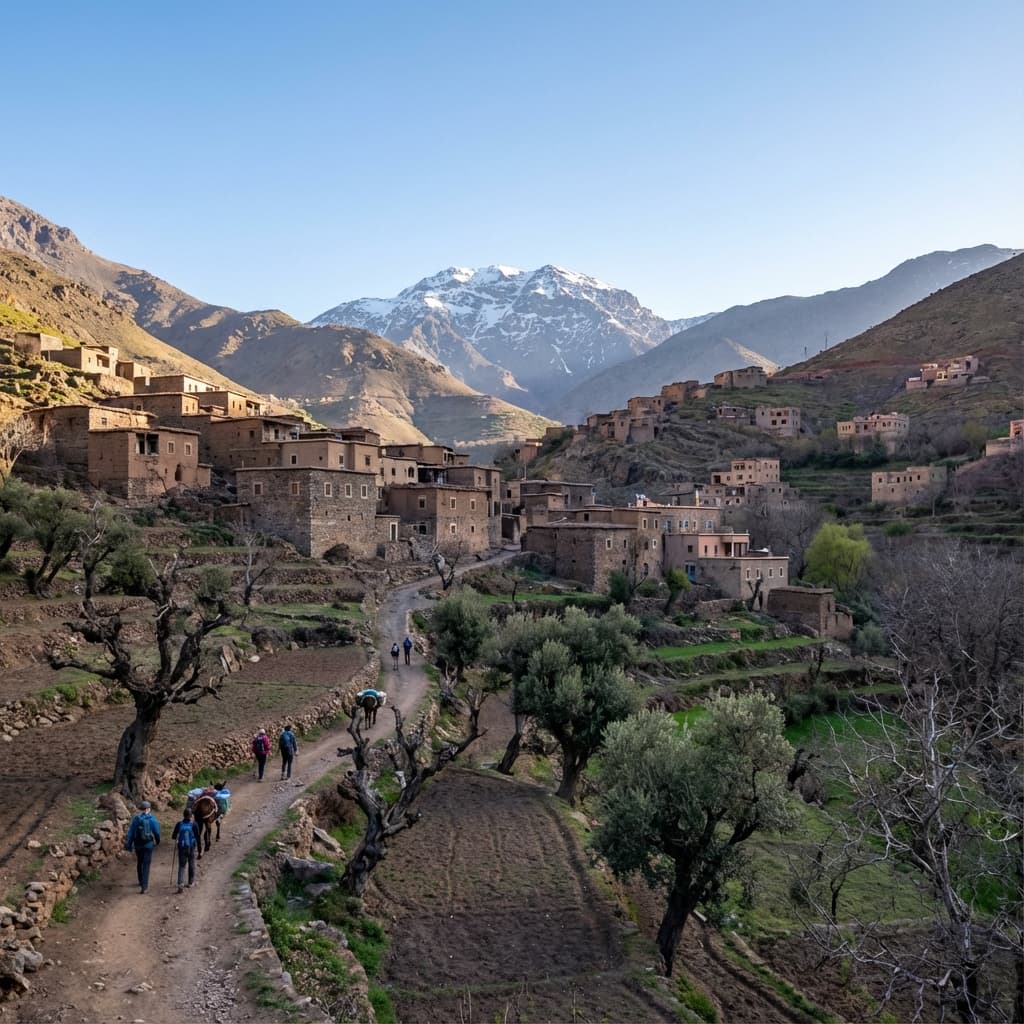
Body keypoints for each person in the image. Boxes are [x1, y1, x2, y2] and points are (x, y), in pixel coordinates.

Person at [124, 800, 161, 894]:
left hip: (138, 845)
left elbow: (131, 832)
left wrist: (129, 845)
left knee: (140, 862)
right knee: (146, 865)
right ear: (148, 809)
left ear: (141, 809)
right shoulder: (152, 820)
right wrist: (157, 841)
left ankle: (140, 881)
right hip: (148, 845)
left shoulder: (136, 819)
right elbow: (156, 832)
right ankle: (144, 887)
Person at [171, 809, 200, 892]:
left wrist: (178, 838)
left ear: (183, 815)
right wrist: (198, 846)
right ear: (191, 816)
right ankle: (191, 882)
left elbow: (173, 836)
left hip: (182, 848)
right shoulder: (194, 824)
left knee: (182, 865)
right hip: (191, 847)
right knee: (191, 864)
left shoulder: (179, 824)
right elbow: (197, 836)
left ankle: (180, 884)